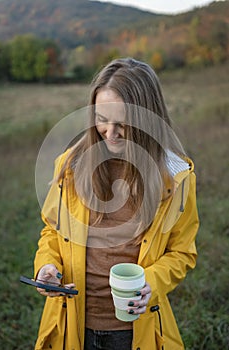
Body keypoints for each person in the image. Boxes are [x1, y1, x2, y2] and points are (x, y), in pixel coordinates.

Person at [33, 57, 199, 350]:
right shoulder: (70, 166)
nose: (110, 133)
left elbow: (182, 253)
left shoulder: (177, 177)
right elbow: (52, 231)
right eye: (101, 119)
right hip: (73, 324)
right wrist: (47, 264)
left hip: (134, 331)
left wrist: (151, 281)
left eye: (123, 124)